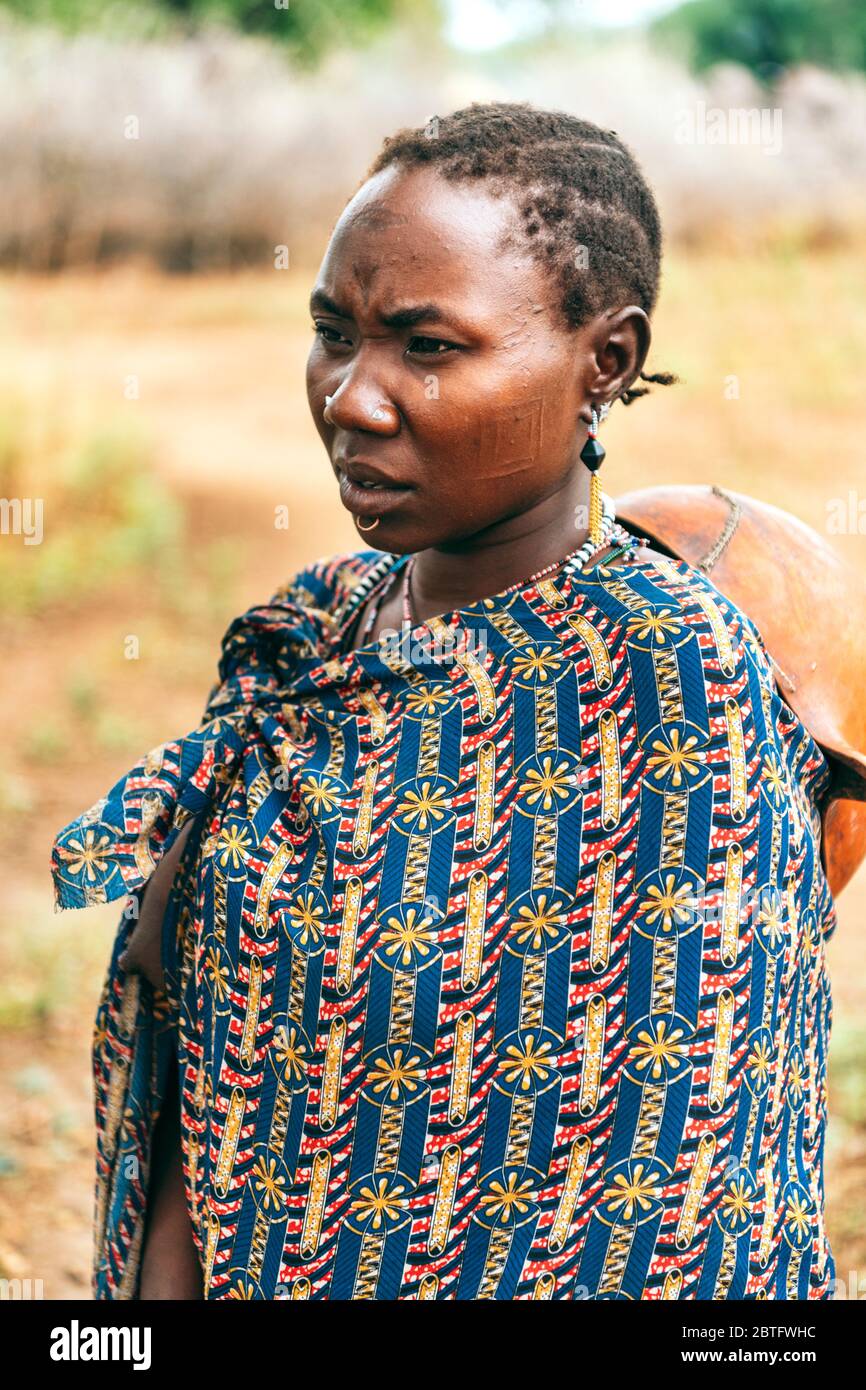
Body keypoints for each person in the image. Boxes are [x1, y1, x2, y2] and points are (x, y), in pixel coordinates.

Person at [51, 102, 837, 1300]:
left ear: (605, 364)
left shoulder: (667, 684)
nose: (350, 398)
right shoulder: (308, 634)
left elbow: (691, 1183)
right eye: (332, 332)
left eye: (427, 347)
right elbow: (183, 1059)